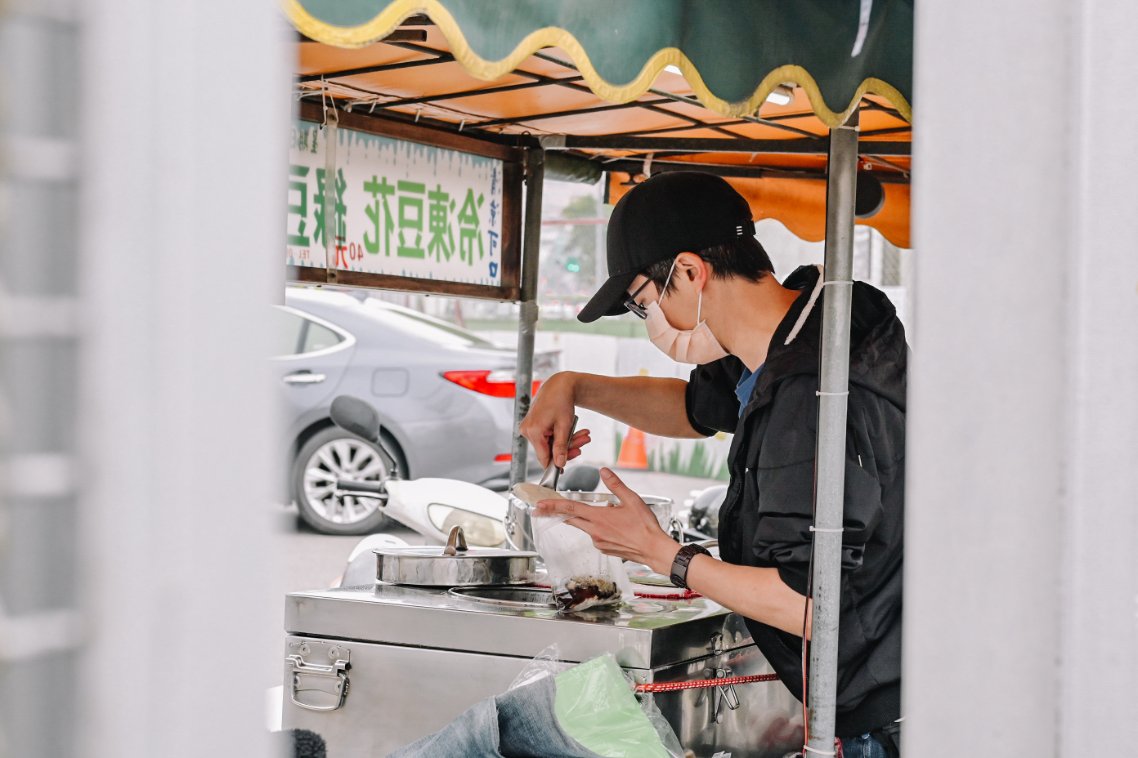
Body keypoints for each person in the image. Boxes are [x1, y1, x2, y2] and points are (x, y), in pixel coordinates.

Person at [520, 171, 905, 757]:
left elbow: (809, 604)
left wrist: (660, 553)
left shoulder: (813, 392)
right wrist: (573, 386)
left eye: (644, 301)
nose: (651, 321)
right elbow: (696, 407)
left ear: (691, 272)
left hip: (882, 709)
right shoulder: (807, 329)